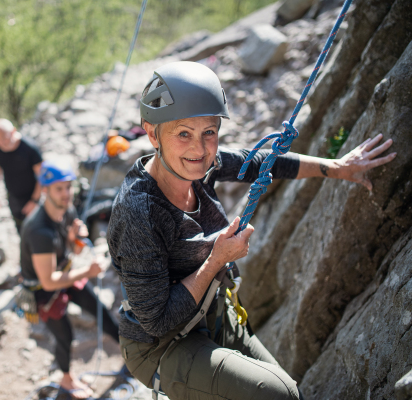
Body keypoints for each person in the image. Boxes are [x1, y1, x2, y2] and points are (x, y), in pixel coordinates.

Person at [107, 61, 397, 400]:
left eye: (209, 132)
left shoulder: (200, 165)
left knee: (289, 394)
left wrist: (336, 168)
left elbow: (259, 163)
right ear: (152, 132)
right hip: (160, 346)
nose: (200, 149)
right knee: (280, 394)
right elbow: (157, 320)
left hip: (212, 313)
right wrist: (217, 260)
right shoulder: (139, 213)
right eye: (183, 133)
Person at [20, 160, 120, 399]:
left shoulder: (68, 211)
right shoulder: (38, 230)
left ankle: (133, 356)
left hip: (64, 273)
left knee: (100, 310)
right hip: (43, 290)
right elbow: (49, 281)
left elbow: (70, 253)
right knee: (64, 335)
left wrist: (76, 240)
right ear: (45, 190)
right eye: (59, 189)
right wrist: (88, 271)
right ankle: (66, 379)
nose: (66, 194)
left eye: (68, 187)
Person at [0, 118, 43, 233]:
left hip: (32, 196)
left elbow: (42, 176)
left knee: (37, 231)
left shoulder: (29, 148)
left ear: (13, 131)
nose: (1, 143)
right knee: (21, 230)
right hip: (13, 196)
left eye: (4, 138)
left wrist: (34, 201)